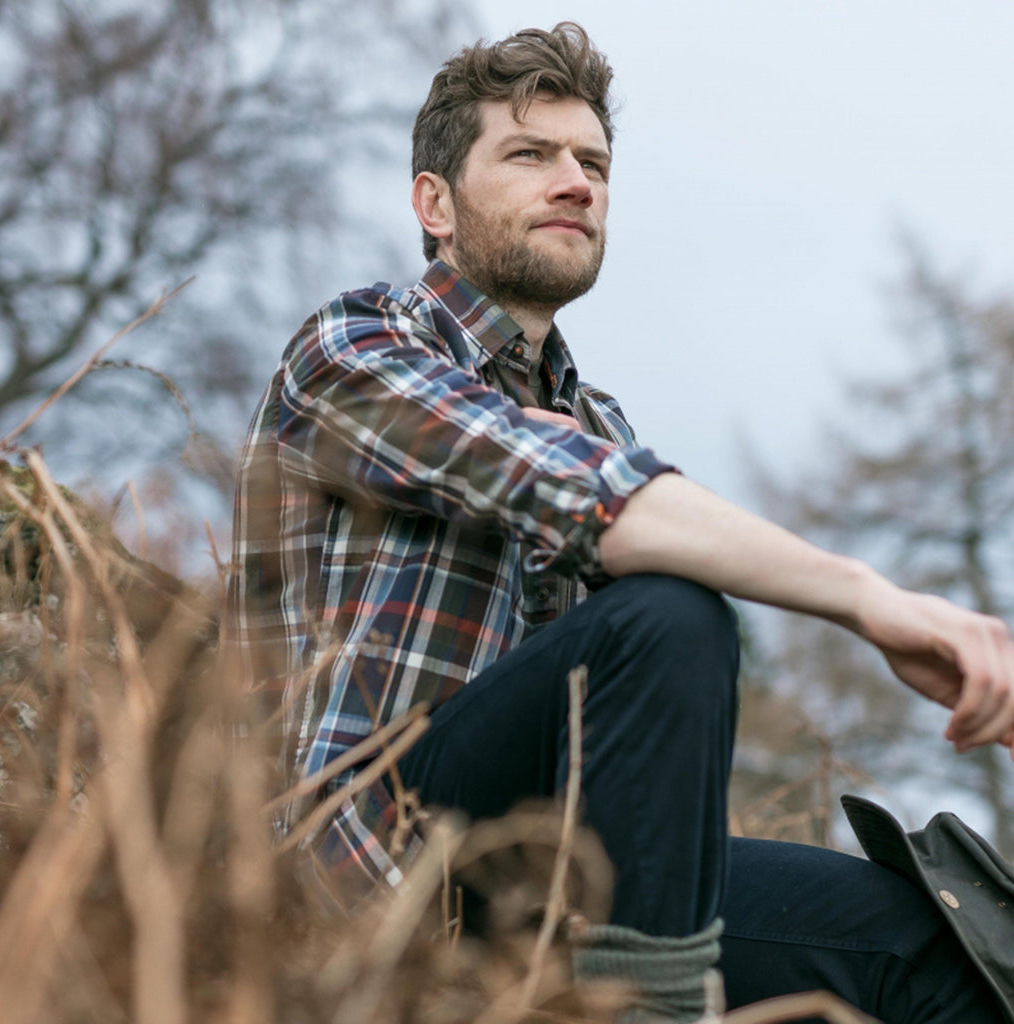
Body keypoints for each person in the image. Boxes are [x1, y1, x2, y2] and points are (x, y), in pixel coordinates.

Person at [230, 22, 1014, 1023]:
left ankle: (643, 993)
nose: (574, 182)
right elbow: (580, 495)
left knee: (941, 945)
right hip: (364, 865)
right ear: (433, 203)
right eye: (529, 154)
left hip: (552, 876)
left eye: (592, 161)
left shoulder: (601, 421)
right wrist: (871, 601)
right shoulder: (354, 346)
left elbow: (643, 731)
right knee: (671, 612)